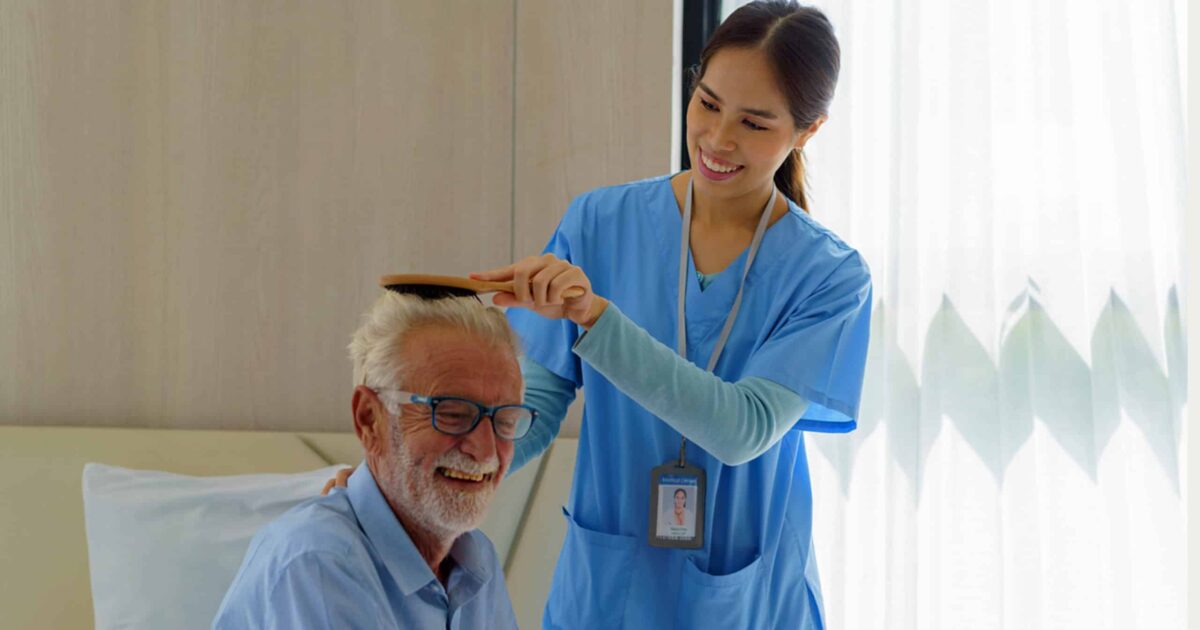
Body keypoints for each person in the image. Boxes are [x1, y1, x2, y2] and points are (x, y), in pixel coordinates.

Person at [470, 2, 871, 628]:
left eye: (754, 124)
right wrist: (420, 476)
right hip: (605, 590)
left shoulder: (829, 277)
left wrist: (596, 318)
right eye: (707, 103)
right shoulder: (598, 224)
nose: (717, 140)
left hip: (747, 597)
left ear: (806, 131)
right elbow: (538, 407)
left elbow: (743, 429)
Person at [214, 292, 533, 629]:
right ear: (370, 419)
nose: (485, 450)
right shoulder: (320, 562)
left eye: (506, 420)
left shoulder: (475, 560)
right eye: (452, 414)